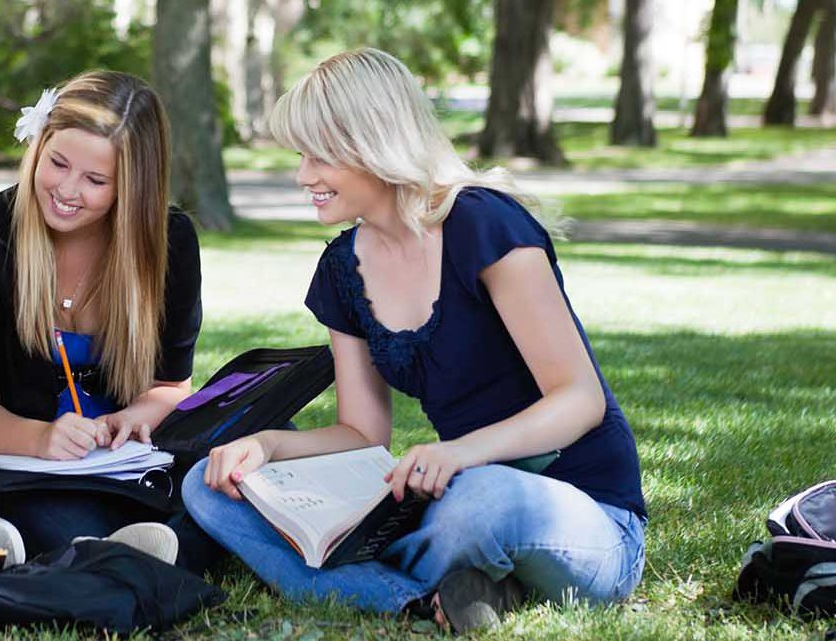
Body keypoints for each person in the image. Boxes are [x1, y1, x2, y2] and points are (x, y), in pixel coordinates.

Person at [183, 49, 646, 632]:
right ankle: (440, 594)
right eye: (301, 156)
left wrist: (458, 453)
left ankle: (379, 581)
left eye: (318, 156)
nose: (303, 176)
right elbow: (361, 433)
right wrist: (267, 447)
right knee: (208, 487)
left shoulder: (484, 224)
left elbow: (579, 399)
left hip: (581, 513)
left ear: (372, 143)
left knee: (482, 502)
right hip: (451, 498)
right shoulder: (341, 270)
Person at [0, 72, 211, 569]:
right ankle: (138, 550)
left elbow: (170, 386)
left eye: (96, 180)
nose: (66, 189)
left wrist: (135, 417)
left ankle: (130, 548)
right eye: (57, 163)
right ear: (38, 146)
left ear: (133, 187)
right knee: (58, 520)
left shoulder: (170, 243)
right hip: (27, 467)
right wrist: (41, 439)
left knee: (246, 450)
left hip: (125, 465)